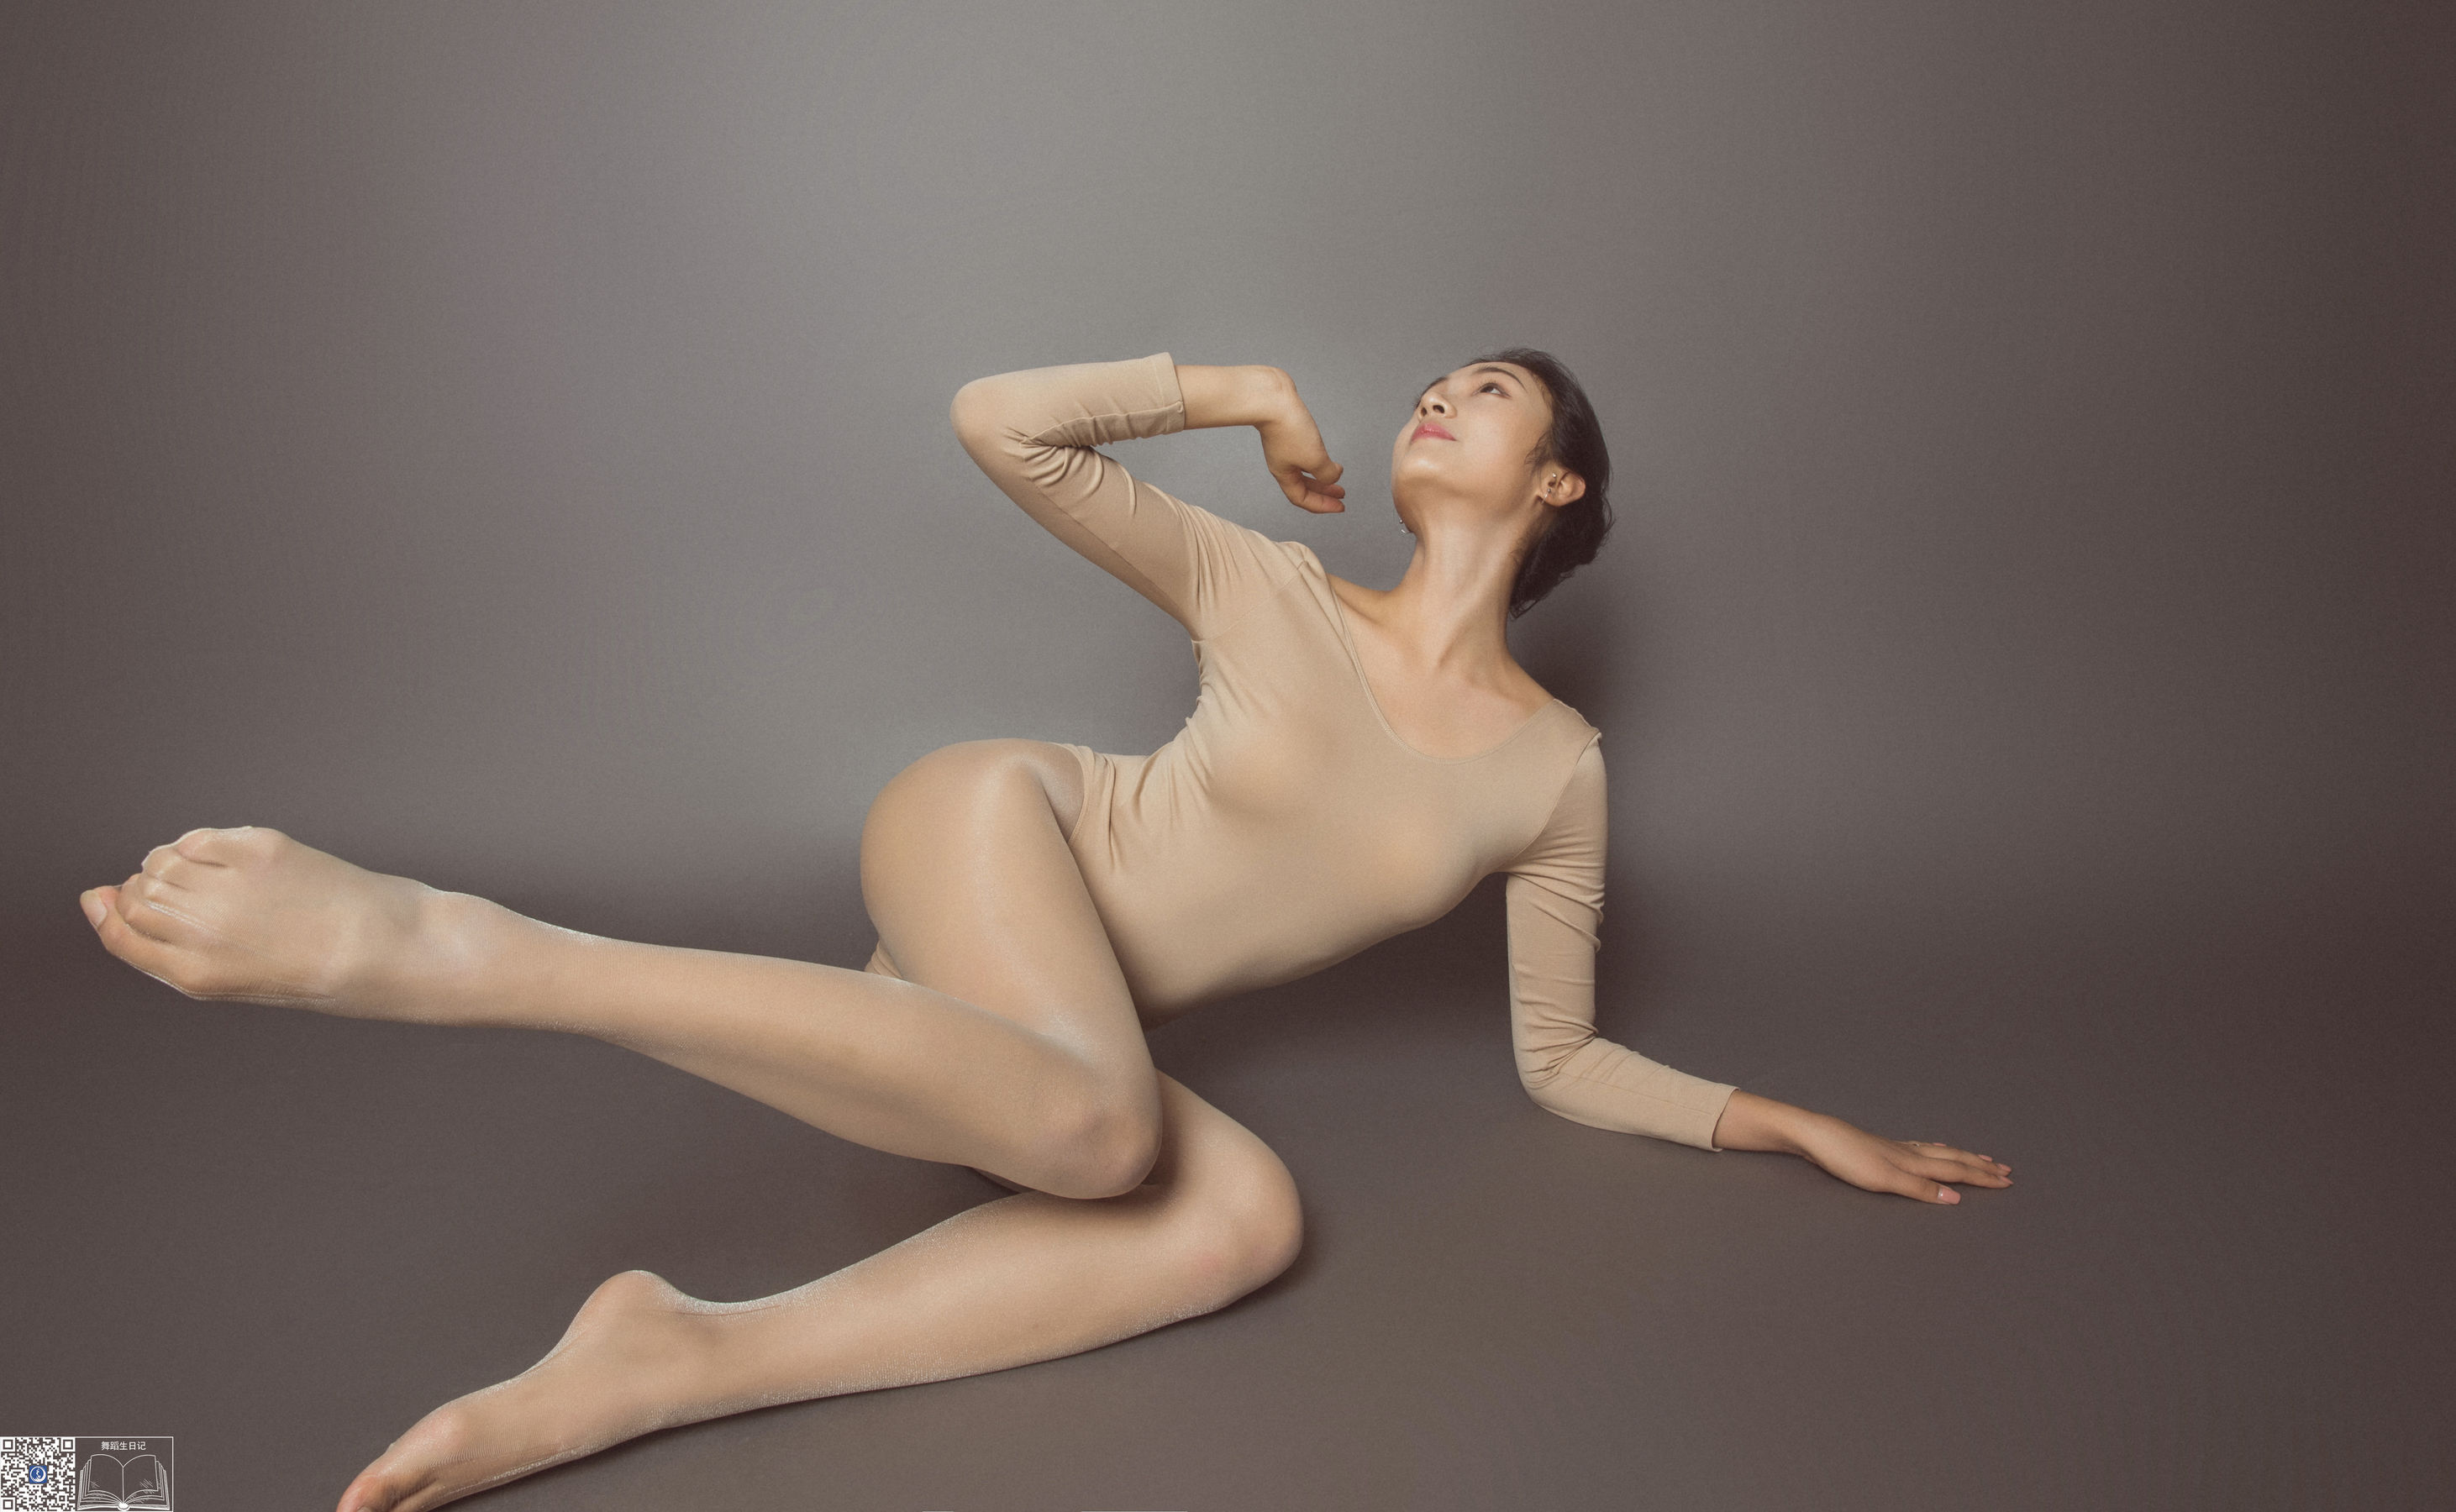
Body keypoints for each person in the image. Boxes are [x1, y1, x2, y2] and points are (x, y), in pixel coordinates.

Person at [79, 349, 2013, 1512]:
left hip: (1003, 1033)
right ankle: (469, 948)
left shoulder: (1554, 769)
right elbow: (1000, 424)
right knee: (1105, 1128)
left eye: (1490, 391)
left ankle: (667, 1361)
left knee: (1239, 1217)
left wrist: (1788, 1124)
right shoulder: (1270, 586)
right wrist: (1237, 392)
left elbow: (1562, 1056)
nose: (1439, 393)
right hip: (994, 831)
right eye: (1436, 381)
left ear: (1557, 480)